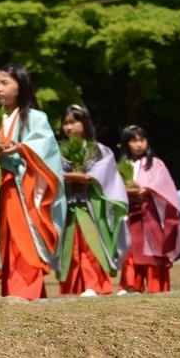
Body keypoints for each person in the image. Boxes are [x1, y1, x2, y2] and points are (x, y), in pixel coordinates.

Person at [0, 64, 65, 299]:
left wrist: (21, 148)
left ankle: (28, 291)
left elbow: (46, 149)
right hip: (1, 188)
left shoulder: (35, 117)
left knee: (25, 239)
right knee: (7, 239)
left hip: (25, 188)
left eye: (5, 83)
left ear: (21, 85)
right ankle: (12, 291)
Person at [55, 105, 128, 296]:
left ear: (85, 123)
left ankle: (94, 284)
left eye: (74, 121)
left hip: (91, 204)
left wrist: (87, 177)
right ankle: (74, 286)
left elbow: (106, 173)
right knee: (71, 245)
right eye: (66, 123)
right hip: (69, 204)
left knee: (91, 244)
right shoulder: (58, 150)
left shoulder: (99, 150)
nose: (69, 127)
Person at [118, 126, 180, 293]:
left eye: (142, 140)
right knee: (132, 248)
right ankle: (131, 285)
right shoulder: (123, 165)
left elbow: (163, 183)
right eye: (134, 140)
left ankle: (156, 285)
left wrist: (148, 188)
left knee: (153, 248)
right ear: (126, 144)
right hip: (130, 212)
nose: (139, 144)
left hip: (150, 211)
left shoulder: (155, 163)